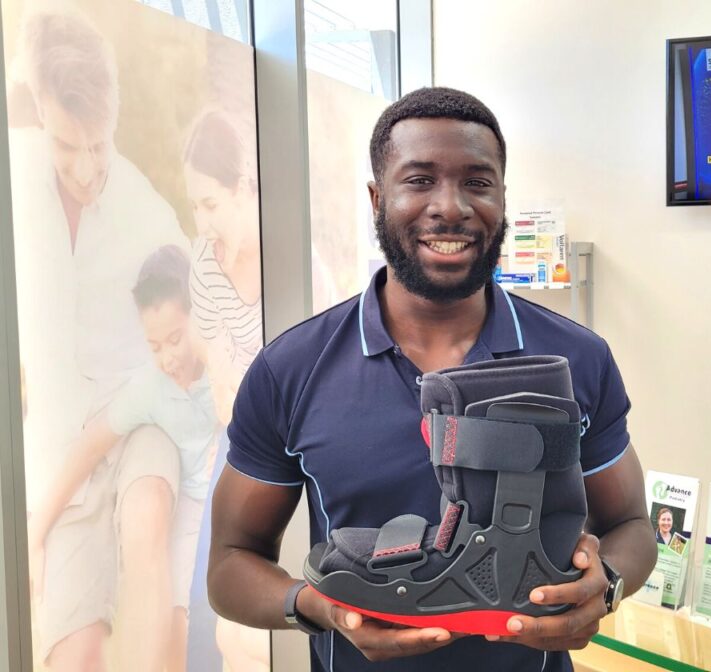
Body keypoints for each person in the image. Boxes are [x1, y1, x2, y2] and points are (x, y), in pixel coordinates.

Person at [207, 87, 657, 671]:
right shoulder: (291, 369)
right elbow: (230, 561)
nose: (451, 207)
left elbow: (631, 525)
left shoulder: (576, 358)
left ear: (501, 198)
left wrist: (606, 585)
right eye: (420, 180)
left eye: (477, 181)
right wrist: (316, 608)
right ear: (377, 198)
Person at [10, 10, 188, 671]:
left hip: (140, 421)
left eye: (99, 146)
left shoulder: (148, 213)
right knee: (75, 653)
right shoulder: (17, 176)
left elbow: (190, 353)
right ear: (41, 119)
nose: (86, 169)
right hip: (61, 450)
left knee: (145, 534)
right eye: (67, 146)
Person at [27, 245, 216, 672]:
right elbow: (88, 449)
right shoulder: (149, 390)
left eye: (175, 338)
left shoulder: (220, 370)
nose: (168, 357)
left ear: (198, 318)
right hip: (189, 511)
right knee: (176, 620)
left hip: (224, 503)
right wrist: (36, 533)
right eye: (155, 346)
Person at [181, 109, 269, 672]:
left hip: (290, 434)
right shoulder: (203, 263)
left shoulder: (283, 256)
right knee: (207, 595)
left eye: (209, 204)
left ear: (241, 189)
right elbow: (219, 379)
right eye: (193, 204)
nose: (201, 220)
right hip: (241, 436)